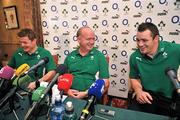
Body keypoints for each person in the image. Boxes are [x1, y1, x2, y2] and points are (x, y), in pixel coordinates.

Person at [128, 22, 180, 117]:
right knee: (130, 115)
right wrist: (139, 91)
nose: (140, 44)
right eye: (138, 40)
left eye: (144, 40)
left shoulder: (175, 50)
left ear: (156, 38)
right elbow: (133, 78)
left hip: (170, 98)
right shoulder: (134, 57)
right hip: (147, 96)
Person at [64, 26, 110, 100]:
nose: (92, 42)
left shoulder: (99, 56)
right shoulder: (70, 56)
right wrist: (67, 91)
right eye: (88, 39)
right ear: (79, 39)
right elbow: (62, 78)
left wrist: (86, 93)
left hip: (91, 97)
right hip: (70, 96)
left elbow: (106, 83)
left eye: (93, 39)